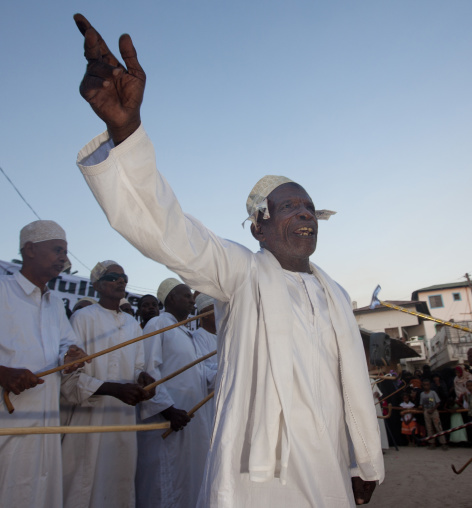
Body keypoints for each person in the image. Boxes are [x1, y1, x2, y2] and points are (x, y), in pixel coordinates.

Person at [73, 14, 383, 506]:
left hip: (327, 460)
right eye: (290, 208)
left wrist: (364, 458)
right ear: (258, 226)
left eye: (309, 208)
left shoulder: (336, 294)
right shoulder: (240, 273)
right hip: (257, 472)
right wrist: (127, 130)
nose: (305, 215)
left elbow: (350, 384)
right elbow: (167, 229)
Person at [0, 220, 88, 508]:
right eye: (57, 249)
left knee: (39, 492)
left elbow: (67, 345)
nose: (65, 258)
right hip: (8, 418)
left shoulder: (53, 303)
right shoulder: (3, 291)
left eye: (66, 251)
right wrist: (2, 372)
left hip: (46, 422)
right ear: (29, 250)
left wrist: (72, 356)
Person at [60, 260, 154, 508]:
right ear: (98, 285)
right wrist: (113, 389)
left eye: (124, 278)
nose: (121, 281)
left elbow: (137, 368)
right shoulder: (82, 318)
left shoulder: (133, 325)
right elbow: (69, 377)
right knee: (82, 481)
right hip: (88, 416)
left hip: (122, 419)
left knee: (118, 481)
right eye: (113, 277)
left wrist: (143, 381)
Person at [136, 278, 212, 508]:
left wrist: (233, 367)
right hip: (167, 422)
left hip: (187, 424)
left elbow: (201, 377)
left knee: (187, 483)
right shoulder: (158, 324)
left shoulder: (186, 334)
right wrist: (168, 410)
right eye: (187, 296)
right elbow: (148, 370)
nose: (192, 301)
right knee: (163, 485)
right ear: (171, 298)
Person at [192, 293, 219, 376]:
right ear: (205, 314)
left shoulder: (221, 336)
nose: (219, 314)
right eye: (216, 310)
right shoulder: (199, 336)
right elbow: (205, 367)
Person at [419, 379, 448, 450]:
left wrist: (433, 409)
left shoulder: (433, 393)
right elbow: (421, 404)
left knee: (438, 426)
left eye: (427, 385)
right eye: (424, 385)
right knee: (429, 428)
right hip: (426, 411)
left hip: (434, 410)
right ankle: (431, 443)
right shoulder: (422, 394)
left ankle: (443, 443)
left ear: (430, 385)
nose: (426, 386)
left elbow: (438, 403)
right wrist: (423, 409)